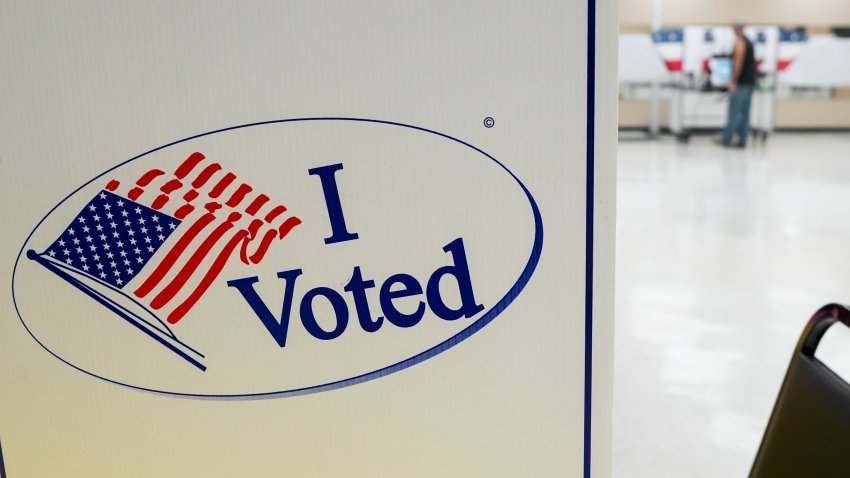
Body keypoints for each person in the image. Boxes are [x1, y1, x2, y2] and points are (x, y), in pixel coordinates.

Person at [720, 23, 757, 148]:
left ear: (736, 29)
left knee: (734, 111)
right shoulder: (749, 42)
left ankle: (727, 138)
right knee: (745, 112)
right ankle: (742, 140)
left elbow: (738, 63)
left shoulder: (739, 42)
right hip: (750, 82)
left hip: (741, 83)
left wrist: (733, 80)